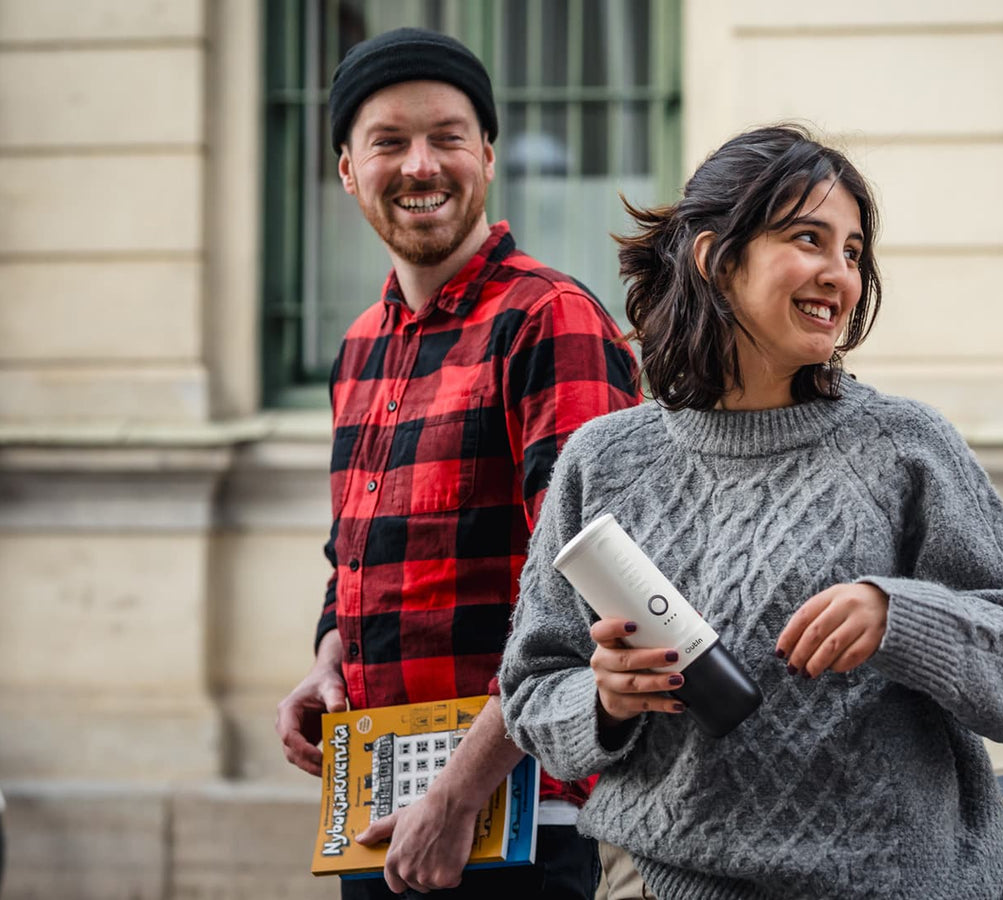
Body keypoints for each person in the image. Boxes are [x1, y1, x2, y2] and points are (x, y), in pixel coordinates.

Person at [496, 124, 1003, 900]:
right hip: (663, 883)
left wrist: (902, 617)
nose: (840, 273)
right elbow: (532, 693)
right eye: (810, 238)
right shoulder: (604, 460)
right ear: (715, 257)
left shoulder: (905, 447)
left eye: (852, 251)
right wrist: (603, 700)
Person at [272, 27, 640, 899]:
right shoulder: (360, 347)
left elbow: (596, 589)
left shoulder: (549, 321)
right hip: (380, 803)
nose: (421, 165)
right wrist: (330, 659)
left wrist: (459, 790)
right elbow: (353, 560)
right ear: (347, 170)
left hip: (530, 818)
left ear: (487, 154)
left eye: (446, 137)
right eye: (388, 142)